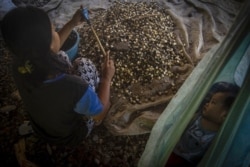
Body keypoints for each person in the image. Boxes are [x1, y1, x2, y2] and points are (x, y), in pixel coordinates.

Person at [0, 6, 115, 146]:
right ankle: (89, 106)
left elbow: (50, 49)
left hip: (42, 128)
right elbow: (100, 114)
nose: (56, 31)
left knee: (60, 55)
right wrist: (106, 78)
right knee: (84, 64)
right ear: (46, 45)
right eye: (53, 30)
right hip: (70, 135)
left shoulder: (19, 66)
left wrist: (72, 23)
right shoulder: (75, 87)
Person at [165, 82, 240, 167]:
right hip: (171, 154)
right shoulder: (195, 118)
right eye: (209, 100)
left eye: (213, 102)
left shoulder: (216, 138)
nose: (207, 103)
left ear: (224, 115)